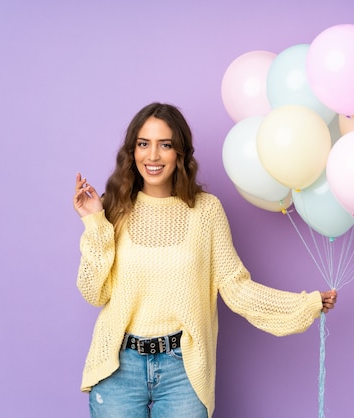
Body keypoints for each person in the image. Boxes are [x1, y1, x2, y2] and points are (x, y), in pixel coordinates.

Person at [73, 102, 337, 418]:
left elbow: (236, 288)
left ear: (180, 153)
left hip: (182, 369)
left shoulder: (206, 212)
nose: (153, 156)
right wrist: (94, 223)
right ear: (132, 151)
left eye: (165, 145)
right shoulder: (114, 209)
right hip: (119, 366)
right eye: (144, 144)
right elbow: (94, 293)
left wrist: (302, 305)